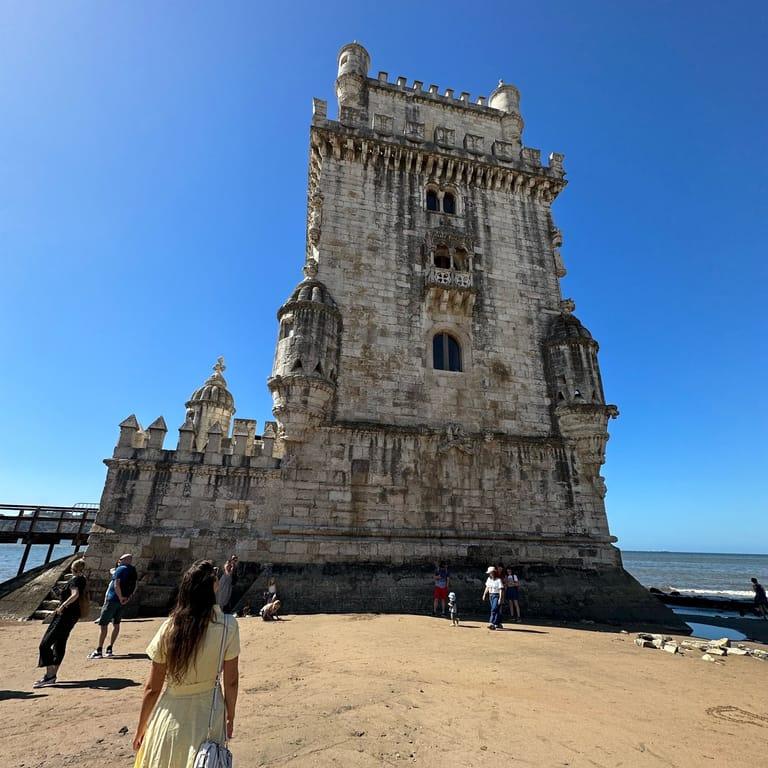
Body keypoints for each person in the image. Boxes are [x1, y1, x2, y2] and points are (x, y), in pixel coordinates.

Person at [132, 560, 240, 768]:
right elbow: (231, 681)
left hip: (170, 712)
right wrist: (230, 716)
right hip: (209, 715)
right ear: (214, 587)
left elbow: (152, 688)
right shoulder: (228, 626)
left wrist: (141, 727)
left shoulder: (169, 627)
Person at [34, 558, 89, 688]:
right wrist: (61, 594)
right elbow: (75, 595)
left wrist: (63, 605)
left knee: (45, 645)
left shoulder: (75, 580)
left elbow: (75, 595)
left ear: (73, 569)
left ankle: (49, 675)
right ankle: (52, 675)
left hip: (65, 616)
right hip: (72, 616)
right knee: (60, 643)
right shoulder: (83, 579)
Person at [88, 553, 138, 659]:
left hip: (112, 600)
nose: (118, 561)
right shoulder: (132, 570)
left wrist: (120, 597)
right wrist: (126, 598)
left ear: (124, 560)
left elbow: (116, 584)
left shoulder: (120, 569)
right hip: (122, 601)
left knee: (103, 625)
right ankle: (110, 648)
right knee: (116, 624)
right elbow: (134, 585)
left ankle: (99, 650)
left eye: (120, 559)